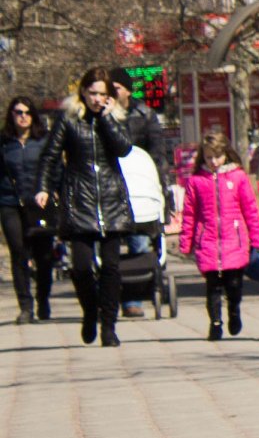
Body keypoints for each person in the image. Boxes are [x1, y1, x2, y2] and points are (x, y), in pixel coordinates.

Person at [35, 68, 134, 347]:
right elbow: (50, 156)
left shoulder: (115, 119)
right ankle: (90, 311)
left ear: (110, 96)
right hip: (80, 199)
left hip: (111, 199)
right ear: (83, 93)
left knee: (112, 268)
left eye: (102, 94)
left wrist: (107, 119)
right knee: (80, 268)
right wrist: (43, 187)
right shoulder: (68, 120)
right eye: (92, 93)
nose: (97, 99)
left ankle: (109, 327)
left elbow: (124, 149)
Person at [179, 128, 259, 341]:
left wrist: (256, 239)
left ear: (225, 153)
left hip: (233, 241)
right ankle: (215, 323)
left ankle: (234, 312)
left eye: (217, 156)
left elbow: (250, 210)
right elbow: (189, 214)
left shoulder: (238, 178)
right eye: (209, 157)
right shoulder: (197, 181)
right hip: (208, 241)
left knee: (234, 285)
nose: (213, 162)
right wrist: (186, 242)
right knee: (213, 287)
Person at [109, 67, 172, 318]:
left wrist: (159, 186)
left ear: (126, 90)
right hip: (112, 185)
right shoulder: (102, 116)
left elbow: (157, 153)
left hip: (139, 184)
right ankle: (111, 294)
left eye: (117, 89)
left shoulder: (144, 115)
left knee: (140, 239)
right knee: (110, 245)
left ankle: (134, 295)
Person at [0, 96, 55, 323]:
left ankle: (43, 299)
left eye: (26, 112)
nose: (22, 116)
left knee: (44, 256)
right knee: (18, 252)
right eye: (17, 112)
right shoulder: (4, 143)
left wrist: (53, 191)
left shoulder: (43, 141)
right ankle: (25, 306)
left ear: (33, 115)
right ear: (11, 115)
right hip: (9, 203)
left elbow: (55, 169)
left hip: (39, 204)